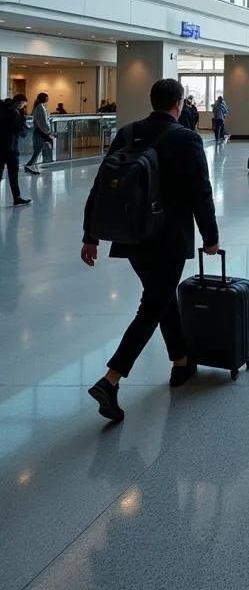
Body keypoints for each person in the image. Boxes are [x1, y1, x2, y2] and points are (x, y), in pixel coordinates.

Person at [80, 78, 220, 423]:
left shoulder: (127, 133)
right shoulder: (187, 138)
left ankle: (181, 362)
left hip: (129, 235)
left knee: (161, 297)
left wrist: (90, 235)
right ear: (179, 104)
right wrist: (210, 236)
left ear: (152, 101)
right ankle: (110, 379)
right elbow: (200, 191)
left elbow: (102, 185)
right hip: (168, 237)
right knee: (153, 305)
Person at [0, 95, 31, 206]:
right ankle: (17, 198)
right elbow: (22, 132)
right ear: (20, 102)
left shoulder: (3, 109)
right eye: (23, 105)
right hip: (11, 148)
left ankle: (17, 198)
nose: (23, 107)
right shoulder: (14, 112)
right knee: (13, 175)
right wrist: (23, 119)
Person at [24, 92, 54, 174]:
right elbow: (42, 122)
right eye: (47, 97)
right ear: (43, 98)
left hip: (40, 132)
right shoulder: (40, 107)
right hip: (41, 132)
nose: (48, 99)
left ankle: (31, 164)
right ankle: (30, 165)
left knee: (39, 149)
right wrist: (48, 132)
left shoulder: (40, 107)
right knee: (38, 149)